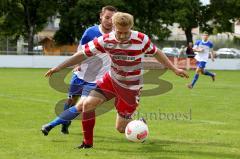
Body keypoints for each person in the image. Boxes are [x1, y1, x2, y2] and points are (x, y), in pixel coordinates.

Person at [42, 12, 189, 149]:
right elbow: (82, 55)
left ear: (131, 27)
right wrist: (59, 67)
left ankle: (140, 124)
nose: (123, 36)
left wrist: (174, 69)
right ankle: (87, 144)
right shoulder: (106, 40)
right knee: (87, 104)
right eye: (119, 32)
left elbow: (157, 53)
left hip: (131, 87)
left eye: (126, 32)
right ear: (114, 27)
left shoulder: (141, 39)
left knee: (120, 129)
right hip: (111, 80)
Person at [53, 5, 117, 135]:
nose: (109, 21)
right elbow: (81, 50)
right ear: (101, 16)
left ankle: (87, 135)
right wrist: (77, 64)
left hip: (99, 77)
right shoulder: (90, 32)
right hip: (81, 74)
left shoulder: (117, 35)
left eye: (112, 18)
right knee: (71, 100)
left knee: (87, 105)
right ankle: (65, 123)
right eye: (107, 17)